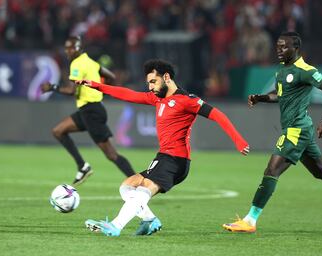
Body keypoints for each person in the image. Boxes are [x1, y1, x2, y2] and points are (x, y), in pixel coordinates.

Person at [222, 31, 322, 233]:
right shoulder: (282, 70)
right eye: (278, 46)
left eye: (284, 47)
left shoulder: (304, 69)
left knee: (272, 170)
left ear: (296, 48)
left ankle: (250, 220)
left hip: (296, 130)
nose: (279, 50)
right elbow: (280, 95)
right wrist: (260, 98)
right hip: (300, 129)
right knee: (320, 171)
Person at [79, 59, 250, 236]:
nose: (150, 87)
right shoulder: (157, 99)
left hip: (176, 160)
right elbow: (128, 94)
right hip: (164, 157)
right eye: (148, 83)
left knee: (144, 189)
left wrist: (238, 141)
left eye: (153, 81)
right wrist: (96, 85)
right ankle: (149, 220)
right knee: (127, 186)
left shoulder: (186, 100)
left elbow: (218, 115)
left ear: (166, 77)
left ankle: (115, 226)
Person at [41, 36, 135, 185]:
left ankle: (139, 182)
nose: (67, 51)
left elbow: (72, 91)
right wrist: (101, 90)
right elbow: (110, 76)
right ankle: (83, 167)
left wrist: (53, 87)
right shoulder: (91, 63)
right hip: (89, 109)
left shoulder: (77, 64)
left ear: (77, 48)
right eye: (66, 48)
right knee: (58, 131)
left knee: (111, 154)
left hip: (91, 111)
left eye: (70, 48)